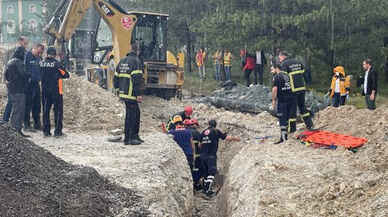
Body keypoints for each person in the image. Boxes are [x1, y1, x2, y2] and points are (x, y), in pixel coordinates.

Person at [114, 43, 145, 145]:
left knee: (134, 114)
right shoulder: (136, 61)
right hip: (131, 93)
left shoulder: (122, 61)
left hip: (123, 93)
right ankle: (129, 139)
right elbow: (137, 80)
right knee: (132, 115)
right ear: (138, 51)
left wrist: (118, 90)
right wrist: (139, 94)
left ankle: (134, 136)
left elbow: (116, 77)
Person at [200, 120, 240, 197]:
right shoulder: (215, 131)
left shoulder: (203, 132)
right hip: (211, 155)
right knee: (212, 172)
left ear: (209, 124)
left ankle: (205, 189)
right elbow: (226, 137)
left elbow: (199, 144)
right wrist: (236, 139)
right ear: (215, 125)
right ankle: (207, 191)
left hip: (202, 156)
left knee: (206, 174)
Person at [279, 51, 313, 132]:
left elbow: (284, 78)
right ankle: (309, 124)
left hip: (292, 90)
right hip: (301, 88)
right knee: (302, 107)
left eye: (279, 58)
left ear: (283, 56)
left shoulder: (284, 64)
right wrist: (308, 84)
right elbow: (305, 75)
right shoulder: (298, 62)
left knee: (292, 109)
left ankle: (292, 129)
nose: (279, 60)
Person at [40, 47, 70, 137]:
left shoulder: (41, 63)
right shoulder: (57, 64)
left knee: (45, 111)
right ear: (55, 54)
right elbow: (66, 75)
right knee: (58, 111)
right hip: (56, 90)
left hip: (45, 90)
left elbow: (38, 74)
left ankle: (46, 131)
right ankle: (57, 131)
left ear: (47, 53)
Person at [4, 46, 30, 137]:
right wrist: (29, 76)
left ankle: (15, 131)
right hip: (19, 90)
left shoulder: (9, 62)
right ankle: (16, 131)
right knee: (19, 110)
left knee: (15, 109)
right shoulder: (18, 62)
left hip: (11, 89)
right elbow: (23, 74)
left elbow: (6, 76)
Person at [2, 36, 29, 124]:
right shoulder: (13, 52)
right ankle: (9, 122)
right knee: (15, 105)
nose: (26, 45)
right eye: (25, 43)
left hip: (12, 83)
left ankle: (6, 120)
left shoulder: (20, 53)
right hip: (15, 84)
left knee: (12, 102)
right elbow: (22, 73)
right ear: (20, 41)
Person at [271, 64, 296, 144]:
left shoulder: (277, 77)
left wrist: (273, 101)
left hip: (282, 100)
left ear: (276, 68)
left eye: (272, 69)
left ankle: (283, 137)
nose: (271, 71)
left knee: (282, 118)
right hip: (291, 99)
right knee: (288, 118)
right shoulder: (288, 75)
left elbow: (275, 89)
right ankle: (287, 135)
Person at [24, 43, 45, 130]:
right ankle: (27, 124)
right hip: (28, 84)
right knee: (28, 104)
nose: (39, 54)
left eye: (41, 52)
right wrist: (29, 77)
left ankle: (37, 124)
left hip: (36, 84)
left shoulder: (39, 58)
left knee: (37, 105)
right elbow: (24, 69)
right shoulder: (27, 56)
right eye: (39, 51)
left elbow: (41, 69)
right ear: (35, 48)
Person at [184, 118, 202, 191]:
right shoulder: (197, 133)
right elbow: (200, 144)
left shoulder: (186, 132)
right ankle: (196, 185)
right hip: (196, 154)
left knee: (190, 169)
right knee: (196, 170)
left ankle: (191, 185)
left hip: (187, 155)